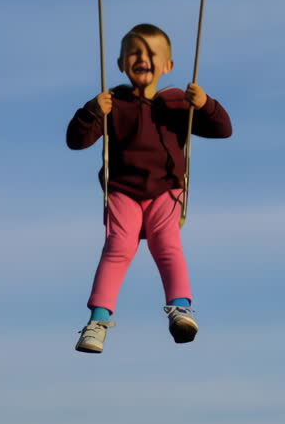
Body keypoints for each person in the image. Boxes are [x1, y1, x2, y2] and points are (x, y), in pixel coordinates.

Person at [65, 24, 233, 353]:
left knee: (167, 244)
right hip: (122, 190)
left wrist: (205, 104)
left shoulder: (177, 103)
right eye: (135, 53)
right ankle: (97, 321)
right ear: (121, 64)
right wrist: (92, 111)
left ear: (168, 65)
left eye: (151, 54)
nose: (143, 58)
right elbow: (76, 140)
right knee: (119, 247)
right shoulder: (112, 102)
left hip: (166, 191)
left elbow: (222, 129)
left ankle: (181, 308)